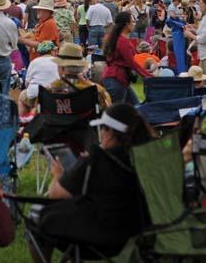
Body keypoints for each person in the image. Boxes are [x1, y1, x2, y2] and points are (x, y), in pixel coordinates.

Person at [28, 104, 153, 262]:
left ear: (110, 132)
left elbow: (56, 194)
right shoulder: (145, 158)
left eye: (102, 129)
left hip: (94, 239)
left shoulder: (96, 159)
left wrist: (58, 175)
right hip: (134, 232)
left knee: (37, 213)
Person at [101, 12, 153, 104]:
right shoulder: (122, 41)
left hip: (116, 79)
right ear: (126, 24)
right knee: (118, 113)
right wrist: (149, 76)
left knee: (135, 107)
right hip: (117, 80)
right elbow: (132, 63)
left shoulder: (114, 38)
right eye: (132, 21)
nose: (134, 24)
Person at [50, 42, 112, 110]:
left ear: (61, 68)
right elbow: (107, 110)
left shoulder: (49, 91)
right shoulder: (98, 91)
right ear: (82, 67)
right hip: (87, 120)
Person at [18, 41, 60, 118]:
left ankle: (23, 122)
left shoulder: (34, 62)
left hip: (34, 95)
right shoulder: (58, 62)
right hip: (53, 96)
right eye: (55, 50)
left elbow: (27, 83)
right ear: (51, 51)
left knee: (22, 97)